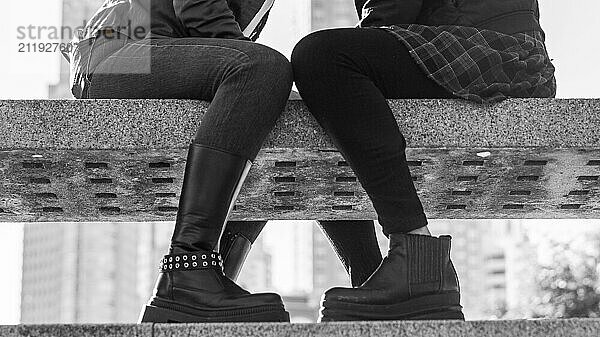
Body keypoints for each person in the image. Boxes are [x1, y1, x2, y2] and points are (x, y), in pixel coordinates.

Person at [291, 0, 555, 321]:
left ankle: (414, 259)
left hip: (495, 52)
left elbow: (389, 14)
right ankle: (375, 280)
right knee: (328, 97)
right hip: (481, 48)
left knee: (322, 59)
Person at [67, 0, 297, 323]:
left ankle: (210, 285)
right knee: (263, 71)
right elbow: (198, 7)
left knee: (270, 103)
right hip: (122, 52)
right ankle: (189, 266)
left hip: (148, 47)